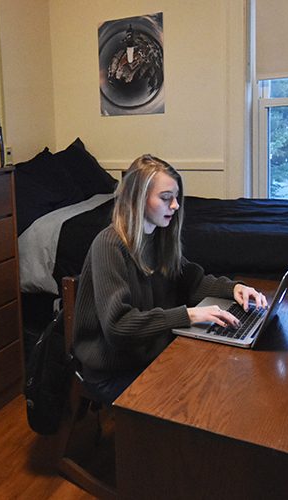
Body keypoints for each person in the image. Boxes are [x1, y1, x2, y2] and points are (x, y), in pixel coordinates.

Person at [71, 154, 267, 404]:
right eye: (166, 198)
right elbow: (118, 326)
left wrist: (235, 288)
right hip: (113, 370)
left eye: (176, 198)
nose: (175, 206)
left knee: (219, 378)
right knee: (199, 397)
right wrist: (188, 315)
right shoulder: (109, 245)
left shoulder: (158, 238)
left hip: (149, 353)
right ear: (137, 200)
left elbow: (192, 282)